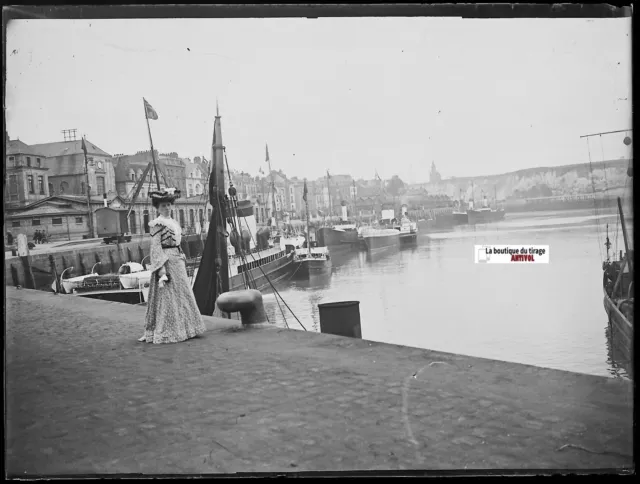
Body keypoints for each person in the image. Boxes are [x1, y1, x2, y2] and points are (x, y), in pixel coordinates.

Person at [139, 188, 205, 344]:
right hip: (166, 262)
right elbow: (155, 247)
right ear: (157, 208)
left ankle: (187, 328)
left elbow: (176, 241)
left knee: (184, 293)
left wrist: (181, 254)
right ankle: (169, 331)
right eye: (163, 206)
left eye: (168, 205)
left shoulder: (173, 222)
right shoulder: (157, 224)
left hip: (178, 260)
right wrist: (161, 268)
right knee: (169, 296)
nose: (167, 208)